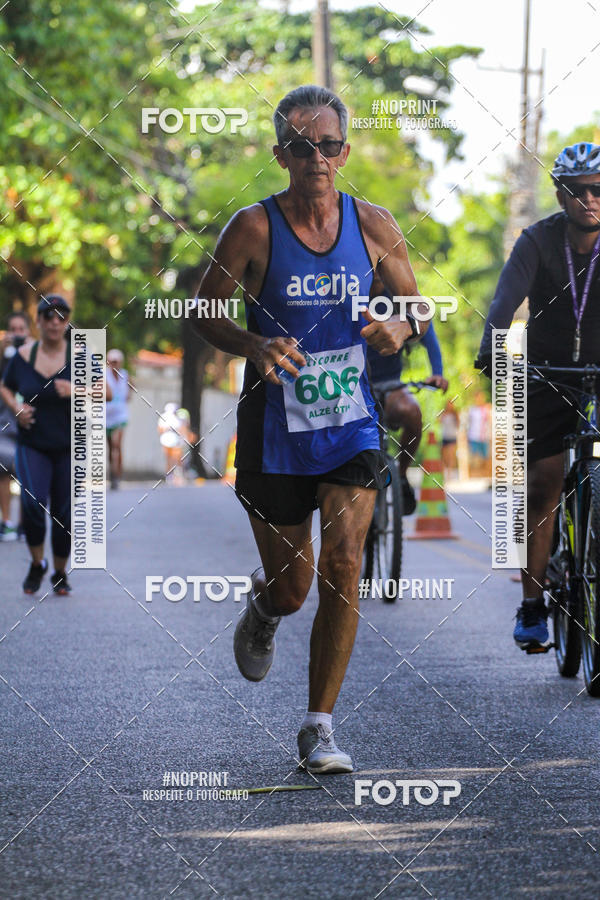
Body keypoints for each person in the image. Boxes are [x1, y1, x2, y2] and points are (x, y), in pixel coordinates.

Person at [192, 84, 427, 774]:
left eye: (328, 145)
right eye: (301, 145)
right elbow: (204, 313)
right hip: (273, 428)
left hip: (350, 418)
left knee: (345, 563)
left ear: (344, 152)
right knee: (293, 586)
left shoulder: (375, 224)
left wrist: (402, 325)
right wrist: (252, 344)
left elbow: (418, 303)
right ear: (281, 154)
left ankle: (319, 727)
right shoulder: (252, 229)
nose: (316, 157)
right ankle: (264, 607)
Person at [476, 141, 600, 652]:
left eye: (597, 189)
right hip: (547, 374)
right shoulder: (537, 241)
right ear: (560, 194)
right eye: (577, 191)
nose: (588, 199)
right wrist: (492, 349)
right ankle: (532, 605)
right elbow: (505, 303)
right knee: (543, 485)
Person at [0, 296, 73, 594]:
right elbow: (5, 386)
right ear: (39, 322)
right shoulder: (24, 356)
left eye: (61, 317)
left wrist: (74, 388)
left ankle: (58, 572)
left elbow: (105, 391)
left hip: (69, 446)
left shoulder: (79, 354)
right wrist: (16, 408)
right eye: (48, 316)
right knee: (31, 504)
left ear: (67, 322)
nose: (55, 322)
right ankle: (36, 563)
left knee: (64, 513)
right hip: (33, 444)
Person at [366, 278, 448, 513]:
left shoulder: (399, 293)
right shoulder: (350, 289)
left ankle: (401, 477)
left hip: (391, 384)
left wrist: (438, 373)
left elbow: (426, 329)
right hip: (355, 385)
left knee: (413, 412)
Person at [0, 312, 30, 540]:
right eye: (13, 329)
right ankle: (7, 521)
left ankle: (23, 524)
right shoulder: (4, 353)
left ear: (28, 332)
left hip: (29, 423)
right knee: (2, 471)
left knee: (26, 474)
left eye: (21, 329)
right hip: (4, 422)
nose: (17, 333)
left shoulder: (35, 353)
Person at [106, 349, 131, 490]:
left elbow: (132, 388)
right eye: (112, 362)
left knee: (117, 444)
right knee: (110, 448)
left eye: (116, 362)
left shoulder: (125, 375)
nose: (114, 365)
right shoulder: (104, 375)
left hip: (121, 415)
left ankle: (119, 474)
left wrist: (128, 395)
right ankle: (113, 475)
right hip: (107, 416)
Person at [158, 403, 192, 484]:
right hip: (166, 440)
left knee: (177, 458)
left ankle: (179, 475)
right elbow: (160, 430)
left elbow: (182, 429)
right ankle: (170, 475)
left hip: (176, 440)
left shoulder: (179, 417)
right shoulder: (163, 417)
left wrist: (185, 438)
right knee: (169, 458)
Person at [440, 399, 459, 479]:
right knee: (444, 457)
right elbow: (439, 421)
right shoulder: (444, 414)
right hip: (445, 437)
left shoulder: (455, 414)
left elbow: (458, 425)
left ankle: (450, 474)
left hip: (452, 437)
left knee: (451, 456)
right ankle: (445, 472)